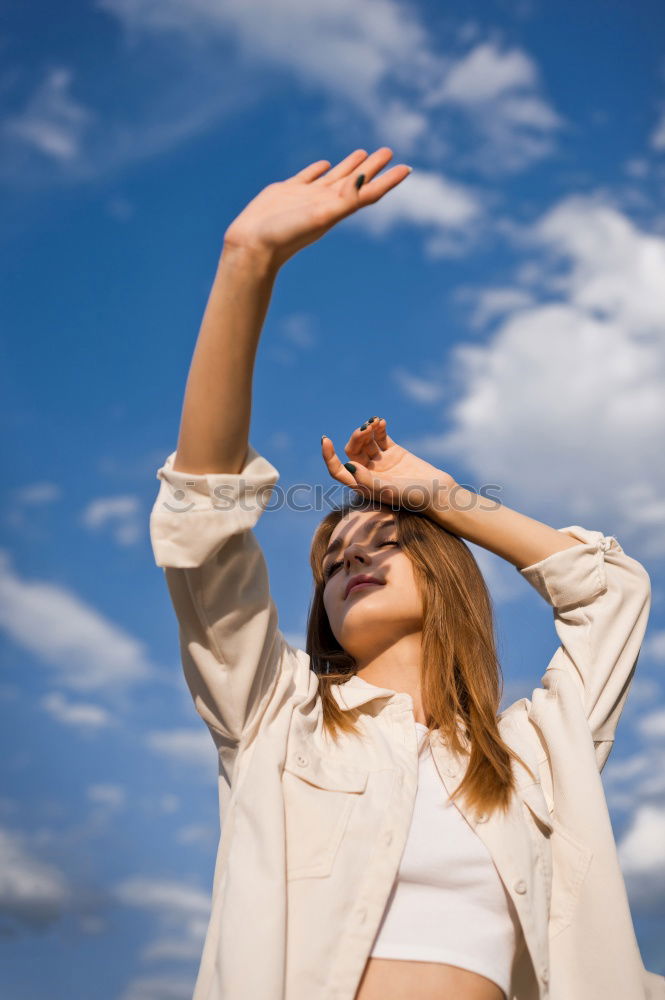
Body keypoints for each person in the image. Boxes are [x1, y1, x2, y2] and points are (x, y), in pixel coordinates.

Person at [149, 148, 664, 1000]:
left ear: (442, 573)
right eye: (332, 561)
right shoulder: (275, 720)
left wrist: (434, 493)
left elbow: (608, 593)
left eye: (381, 540)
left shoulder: (536, 758)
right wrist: (247, 260)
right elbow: (203, 524)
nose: (351, 558)